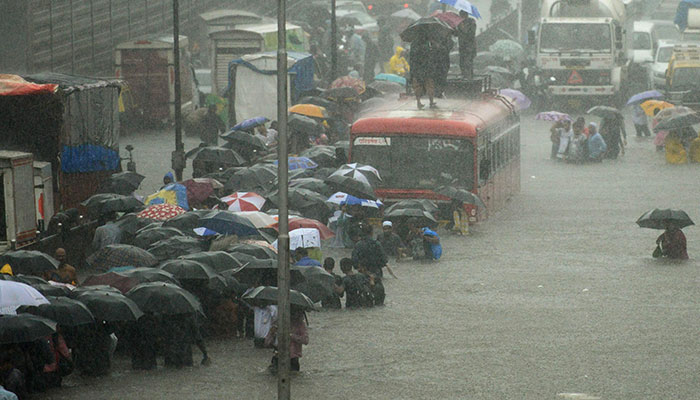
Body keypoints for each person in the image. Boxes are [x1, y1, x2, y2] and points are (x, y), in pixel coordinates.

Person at [266, 306, 308, 373]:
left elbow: (305, 340)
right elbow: (267, 342)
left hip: (292, 358)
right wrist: (272, 333)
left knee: (294, 378)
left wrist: (291, 336)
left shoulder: (300, 325)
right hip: (278, 356)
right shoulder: (278, 322)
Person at [409, 39, 437, 109]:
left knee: (418, 86)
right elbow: (430, 56)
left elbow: (412, 57)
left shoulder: (414, 43)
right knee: (429, 85)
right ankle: (431, 101)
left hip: (417, 69)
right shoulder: (427, 43)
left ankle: (419, 102)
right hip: (426, 68)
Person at [457, 13, 477, 79]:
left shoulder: (471, 22)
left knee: (468, 64)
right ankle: (465, 76)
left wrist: (463, 28)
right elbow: (457, 34)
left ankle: (468, 78)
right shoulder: (460, 23)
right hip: (462, 47)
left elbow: (471, 34)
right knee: (462, 63)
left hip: (469, 47)